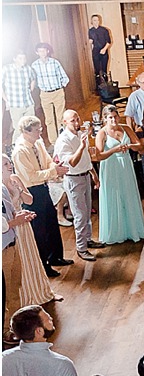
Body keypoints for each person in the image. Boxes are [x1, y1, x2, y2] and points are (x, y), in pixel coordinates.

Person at [11, 115, 71, 278]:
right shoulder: (20, 151)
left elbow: (48, 161)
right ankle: (44, 265)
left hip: (43, 188)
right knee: (40, 230)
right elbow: (30, 177)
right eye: (37, 130)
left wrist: (54, 168)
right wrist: (53, 172)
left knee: (51, 223)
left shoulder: (38, 143)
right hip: (32, 193)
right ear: (26, 131)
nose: (40, 132)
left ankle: (56, 257)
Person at [2, 155, 62, 305]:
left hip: (24, 224)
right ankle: (24, 298)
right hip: (13, 227)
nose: (9, 165)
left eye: (9, 162)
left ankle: (40, 291)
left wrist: (20, 190)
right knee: (19, 264)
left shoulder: (15, 178)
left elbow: (30, 200)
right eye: (5, 164)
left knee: (32, 258)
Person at [2, 305, 80, 376]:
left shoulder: (4, 359)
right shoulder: (61, 365)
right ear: (39, 331)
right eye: (48, 318)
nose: (52, 319)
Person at [54, 110, 105, 261]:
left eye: (78, 119)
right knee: (80, 215)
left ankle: (88, 240)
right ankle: (81, 248)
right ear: (64, 122)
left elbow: (86, 159)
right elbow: (72, 162)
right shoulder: (63, 141)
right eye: (73, 121)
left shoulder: (79, 134)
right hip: (73, 180)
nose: (77, 123)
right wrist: (81, 147)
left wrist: (94, 175)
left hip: (85, 176)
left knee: (87, 211)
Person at [95, 105, 144, 244]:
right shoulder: (102, 133)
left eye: (115, 116)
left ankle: (132, 229)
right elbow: (99, 156)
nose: (114, 120)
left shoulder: (126, 128)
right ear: (105, 119)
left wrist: (129, 146)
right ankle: (116, 232)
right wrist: (114, 150)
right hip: (111, 167)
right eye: (110, 117)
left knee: (128, 194)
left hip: (126, 165)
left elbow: (139, 146)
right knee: (114, 196)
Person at [2, 182, 36, 320]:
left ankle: (15, 324)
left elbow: (8, 211)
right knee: (4, 293)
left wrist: (19, 215)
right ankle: (5, 330)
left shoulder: (2, 187)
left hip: (11, 244)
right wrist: (15, 222)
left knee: (15, 287)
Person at [30, 43, 69, 146]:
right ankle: (54, 141)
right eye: (40, 51)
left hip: (57, 92)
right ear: (36, 52)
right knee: (49, 119)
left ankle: (64, 138)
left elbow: (64, 77)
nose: (42, 53)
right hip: (45, 94)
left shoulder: (55, 63)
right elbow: (33, 80)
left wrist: (61, 86)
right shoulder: (34, 65)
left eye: (44, 50)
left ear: (47, 51)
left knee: (61, 117)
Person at [2, 51, 36, 149]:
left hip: (28, 102)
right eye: (20, 58)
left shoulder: (28, 69)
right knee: (19, 128)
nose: (23, 61)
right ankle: (14, 148)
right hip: (15, 104)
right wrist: (5, 99)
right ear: (15, 59)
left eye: (24, 58)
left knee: (32, 126)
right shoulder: (7, 69)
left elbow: (33, 79)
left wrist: (31, 90)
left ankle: (31, 147)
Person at [88, 15, 111, 84]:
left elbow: (108, 42)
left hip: (104, 51)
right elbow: (90, 41)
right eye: (94, 20)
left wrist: (104, 49)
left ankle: (106, 87)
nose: (96, 22)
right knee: (97, 70)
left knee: (104, 69)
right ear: (92, 21)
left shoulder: (104, 30)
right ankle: (99, 87)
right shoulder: (90, 31)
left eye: (97, 20)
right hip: (95, 51)